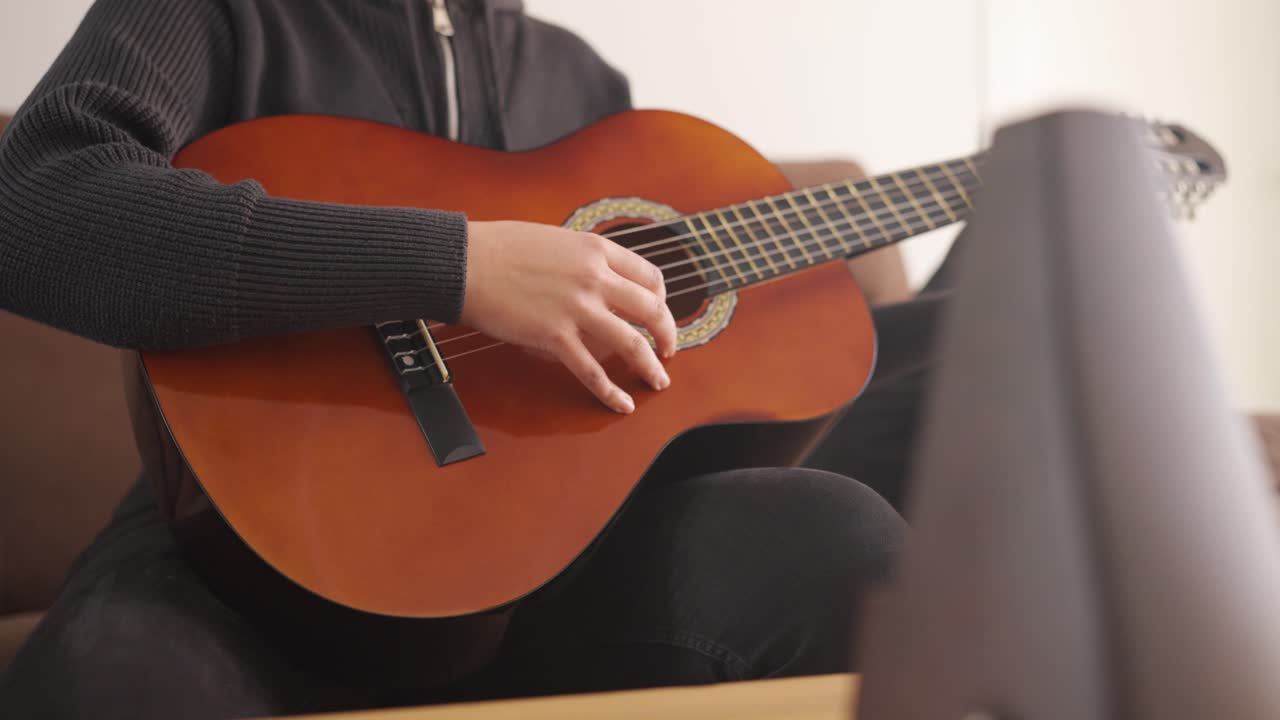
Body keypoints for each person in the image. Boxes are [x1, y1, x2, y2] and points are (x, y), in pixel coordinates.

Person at [0, 1, 909, 718]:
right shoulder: (217, 11)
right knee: (111, 686)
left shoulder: (586, 79)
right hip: (234, 563)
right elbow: (33, 213)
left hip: (556, 571)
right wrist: (456, 265)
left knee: (843, 541)